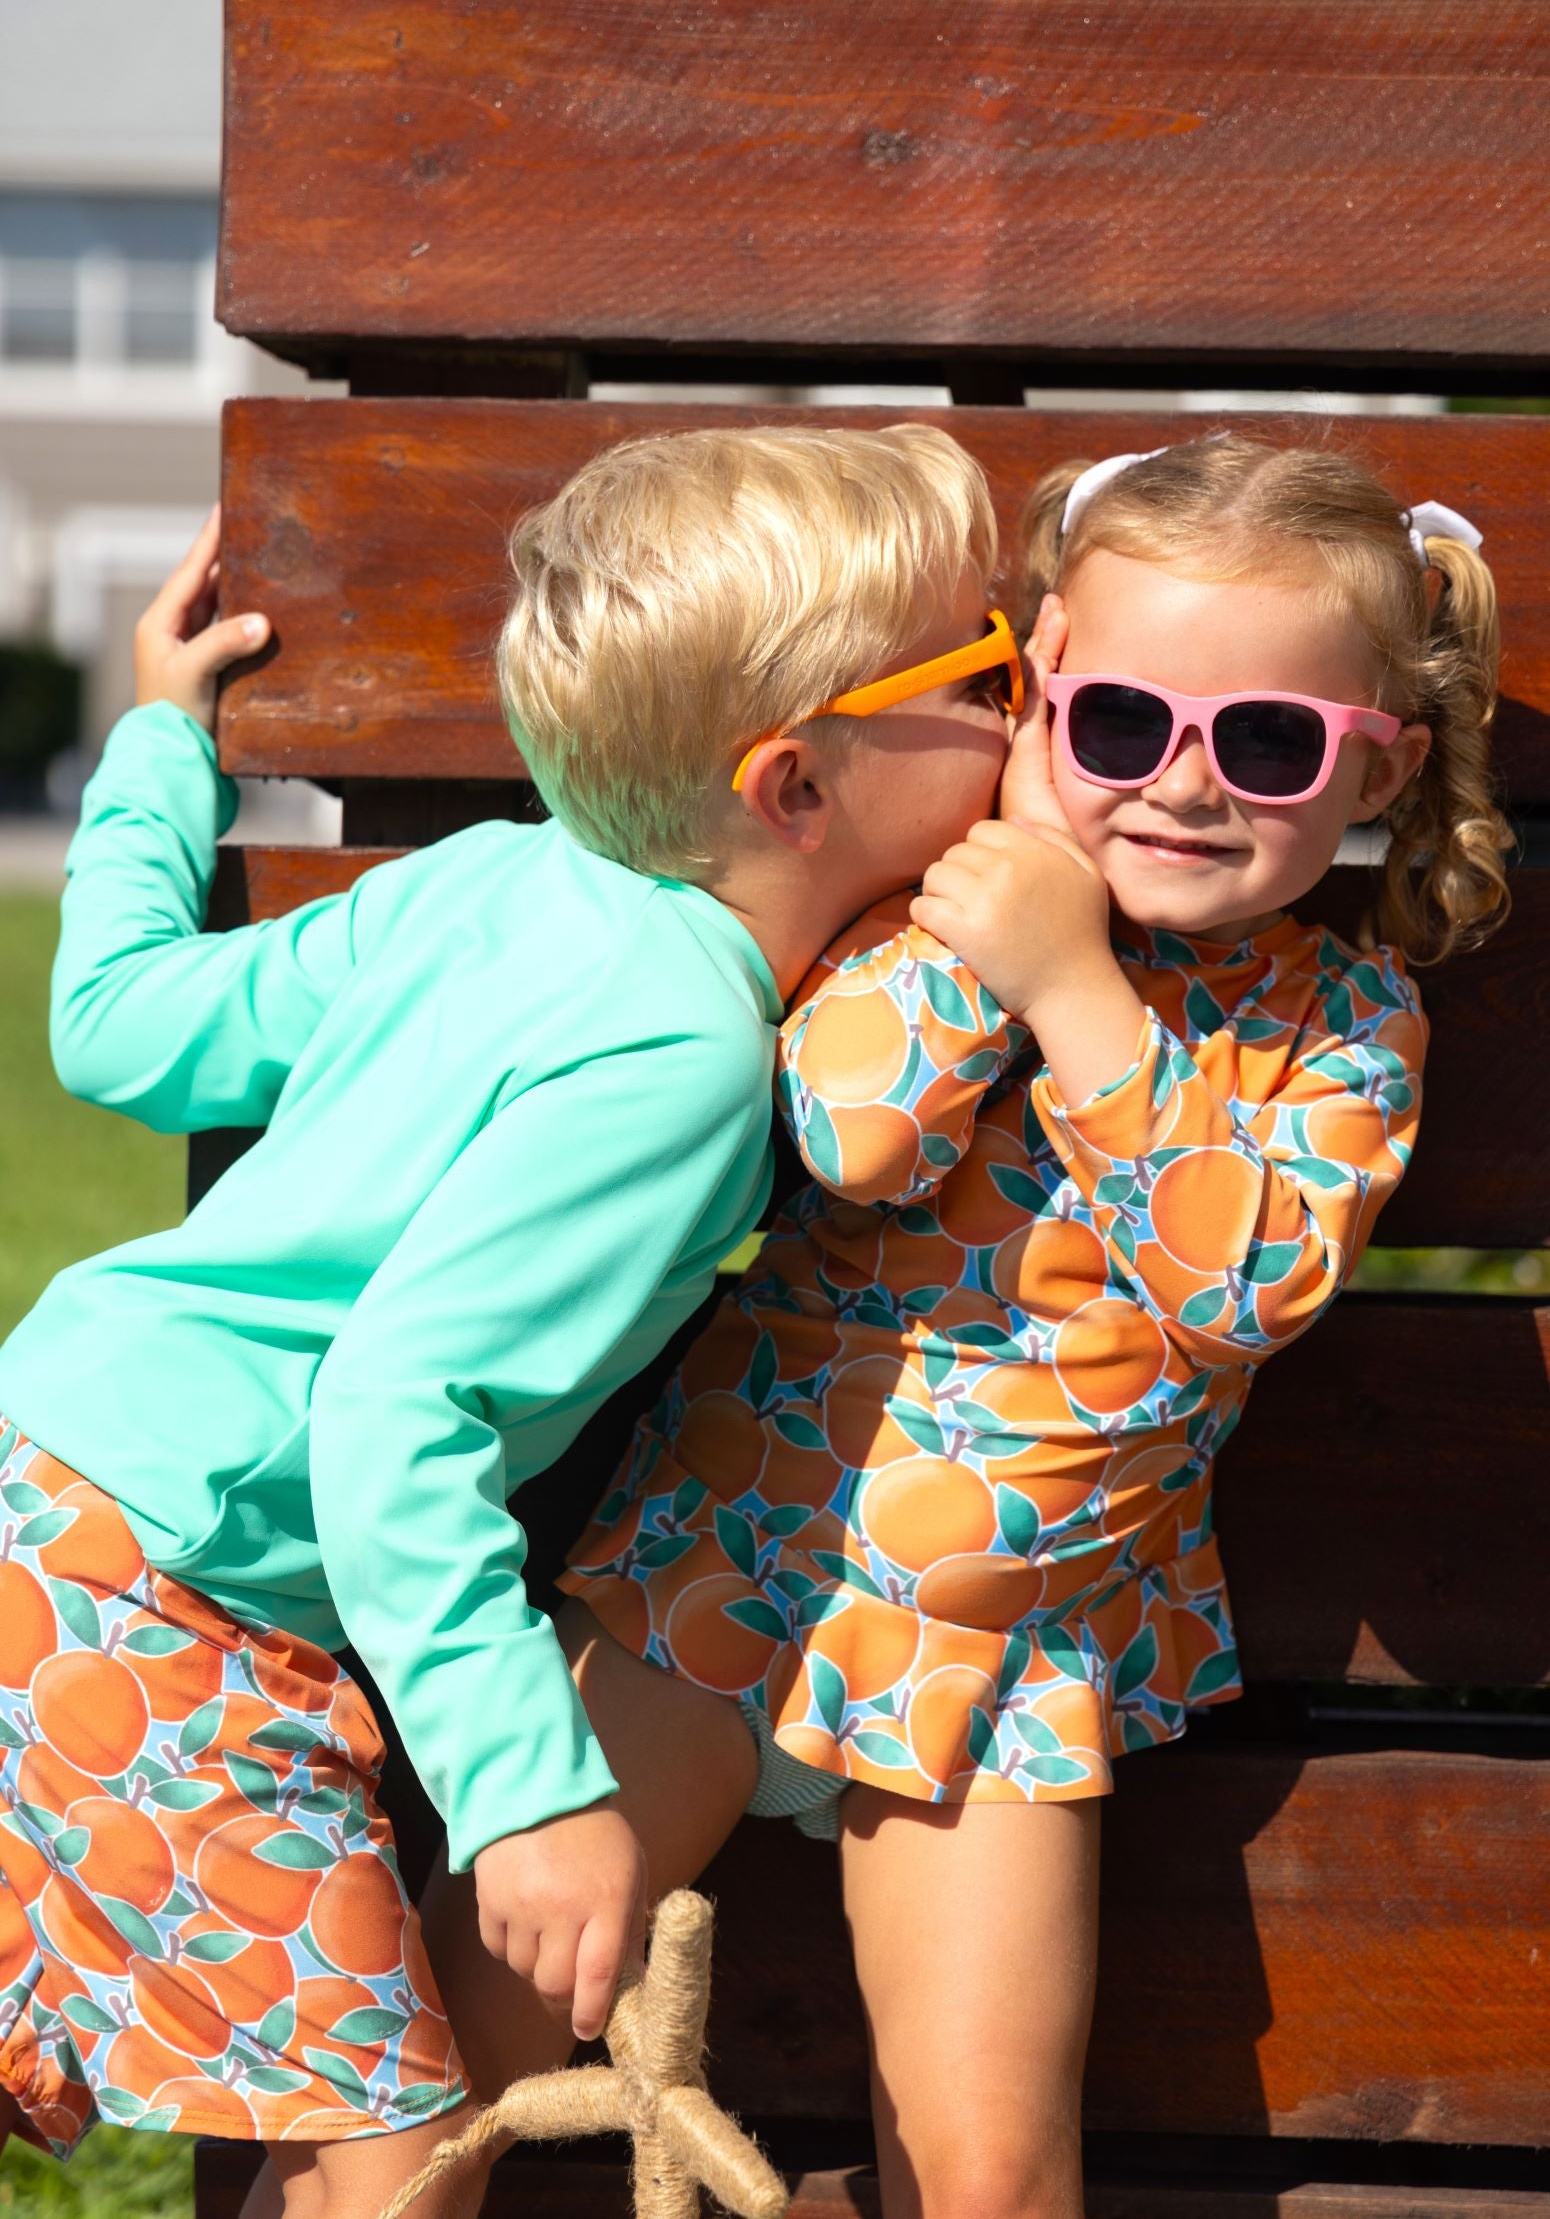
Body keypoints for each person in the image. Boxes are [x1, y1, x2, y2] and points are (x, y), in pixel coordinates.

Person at [430, 434, 1510, 2219]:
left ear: (1374, 764)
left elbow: (1238, 1288)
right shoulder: (947, 902)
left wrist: (1079, 992)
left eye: (1264, 743)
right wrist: (1003, 920)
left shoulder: (1342, 1024)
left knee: (989, 2166)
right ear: (1035, 705)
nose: (1180, 786)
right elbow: (849, 1126)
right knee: (455, 2070)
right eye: (1112, 727)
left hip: (1008, 1657)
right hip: (725, 1562)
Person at [0, 423, 1022, 2218]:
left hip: (53, 1480)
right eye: (991, 669)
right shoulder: (686, 1055)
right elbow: (400, 1411)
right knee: (404, 2163)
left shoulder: (492, 878)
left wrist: (162, 737)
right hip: (163, 1592)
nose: (1030, 713)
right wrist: (529, 1798)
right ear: (793, 784)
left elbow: (124, 1024)